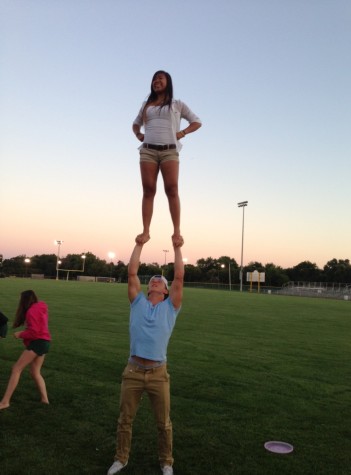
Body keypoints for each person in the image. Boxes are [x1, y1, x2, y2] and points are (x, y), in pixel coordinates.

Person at [107, 236, 185, 475]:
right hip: (133, 371)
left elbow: (180, 277)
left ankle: (166, 462)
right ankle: (121, 458)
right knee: (125, 420)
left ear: (165, 289)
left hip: (158, 373)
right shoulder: (137, 301)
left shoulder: (170, 307)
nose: (155, 280)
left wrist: (177, 248)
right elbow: (132, 273)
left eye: (160, 280)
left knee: (164, 423)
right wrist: (139, 243)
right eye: (152, 279)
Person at [133, 70, 202, 247]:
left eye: (160, 78)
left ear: (168, 82)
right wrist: (138, 134)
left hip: (169, 151)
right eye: (154, 78)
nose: (156, 81)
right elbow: (135, 123)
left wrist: (183, 132)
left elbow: (197, 121)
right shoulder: (146, 105)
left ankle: (177, 232)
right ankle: (146, 231)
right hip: (148, 151)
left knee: (172, 189)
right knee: (148, 190)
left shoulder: (177, 104)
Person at [0, 290, 51, 410]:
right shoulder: (39, 308)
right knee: (35, 372)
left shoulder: (31, 311)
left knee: (16, 369)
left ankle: (5, 402)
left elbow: (34, 332)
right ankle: (45, 400)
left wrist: (20, 334)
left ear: (25, 300)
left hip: (37, 343)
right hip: (45, 342)